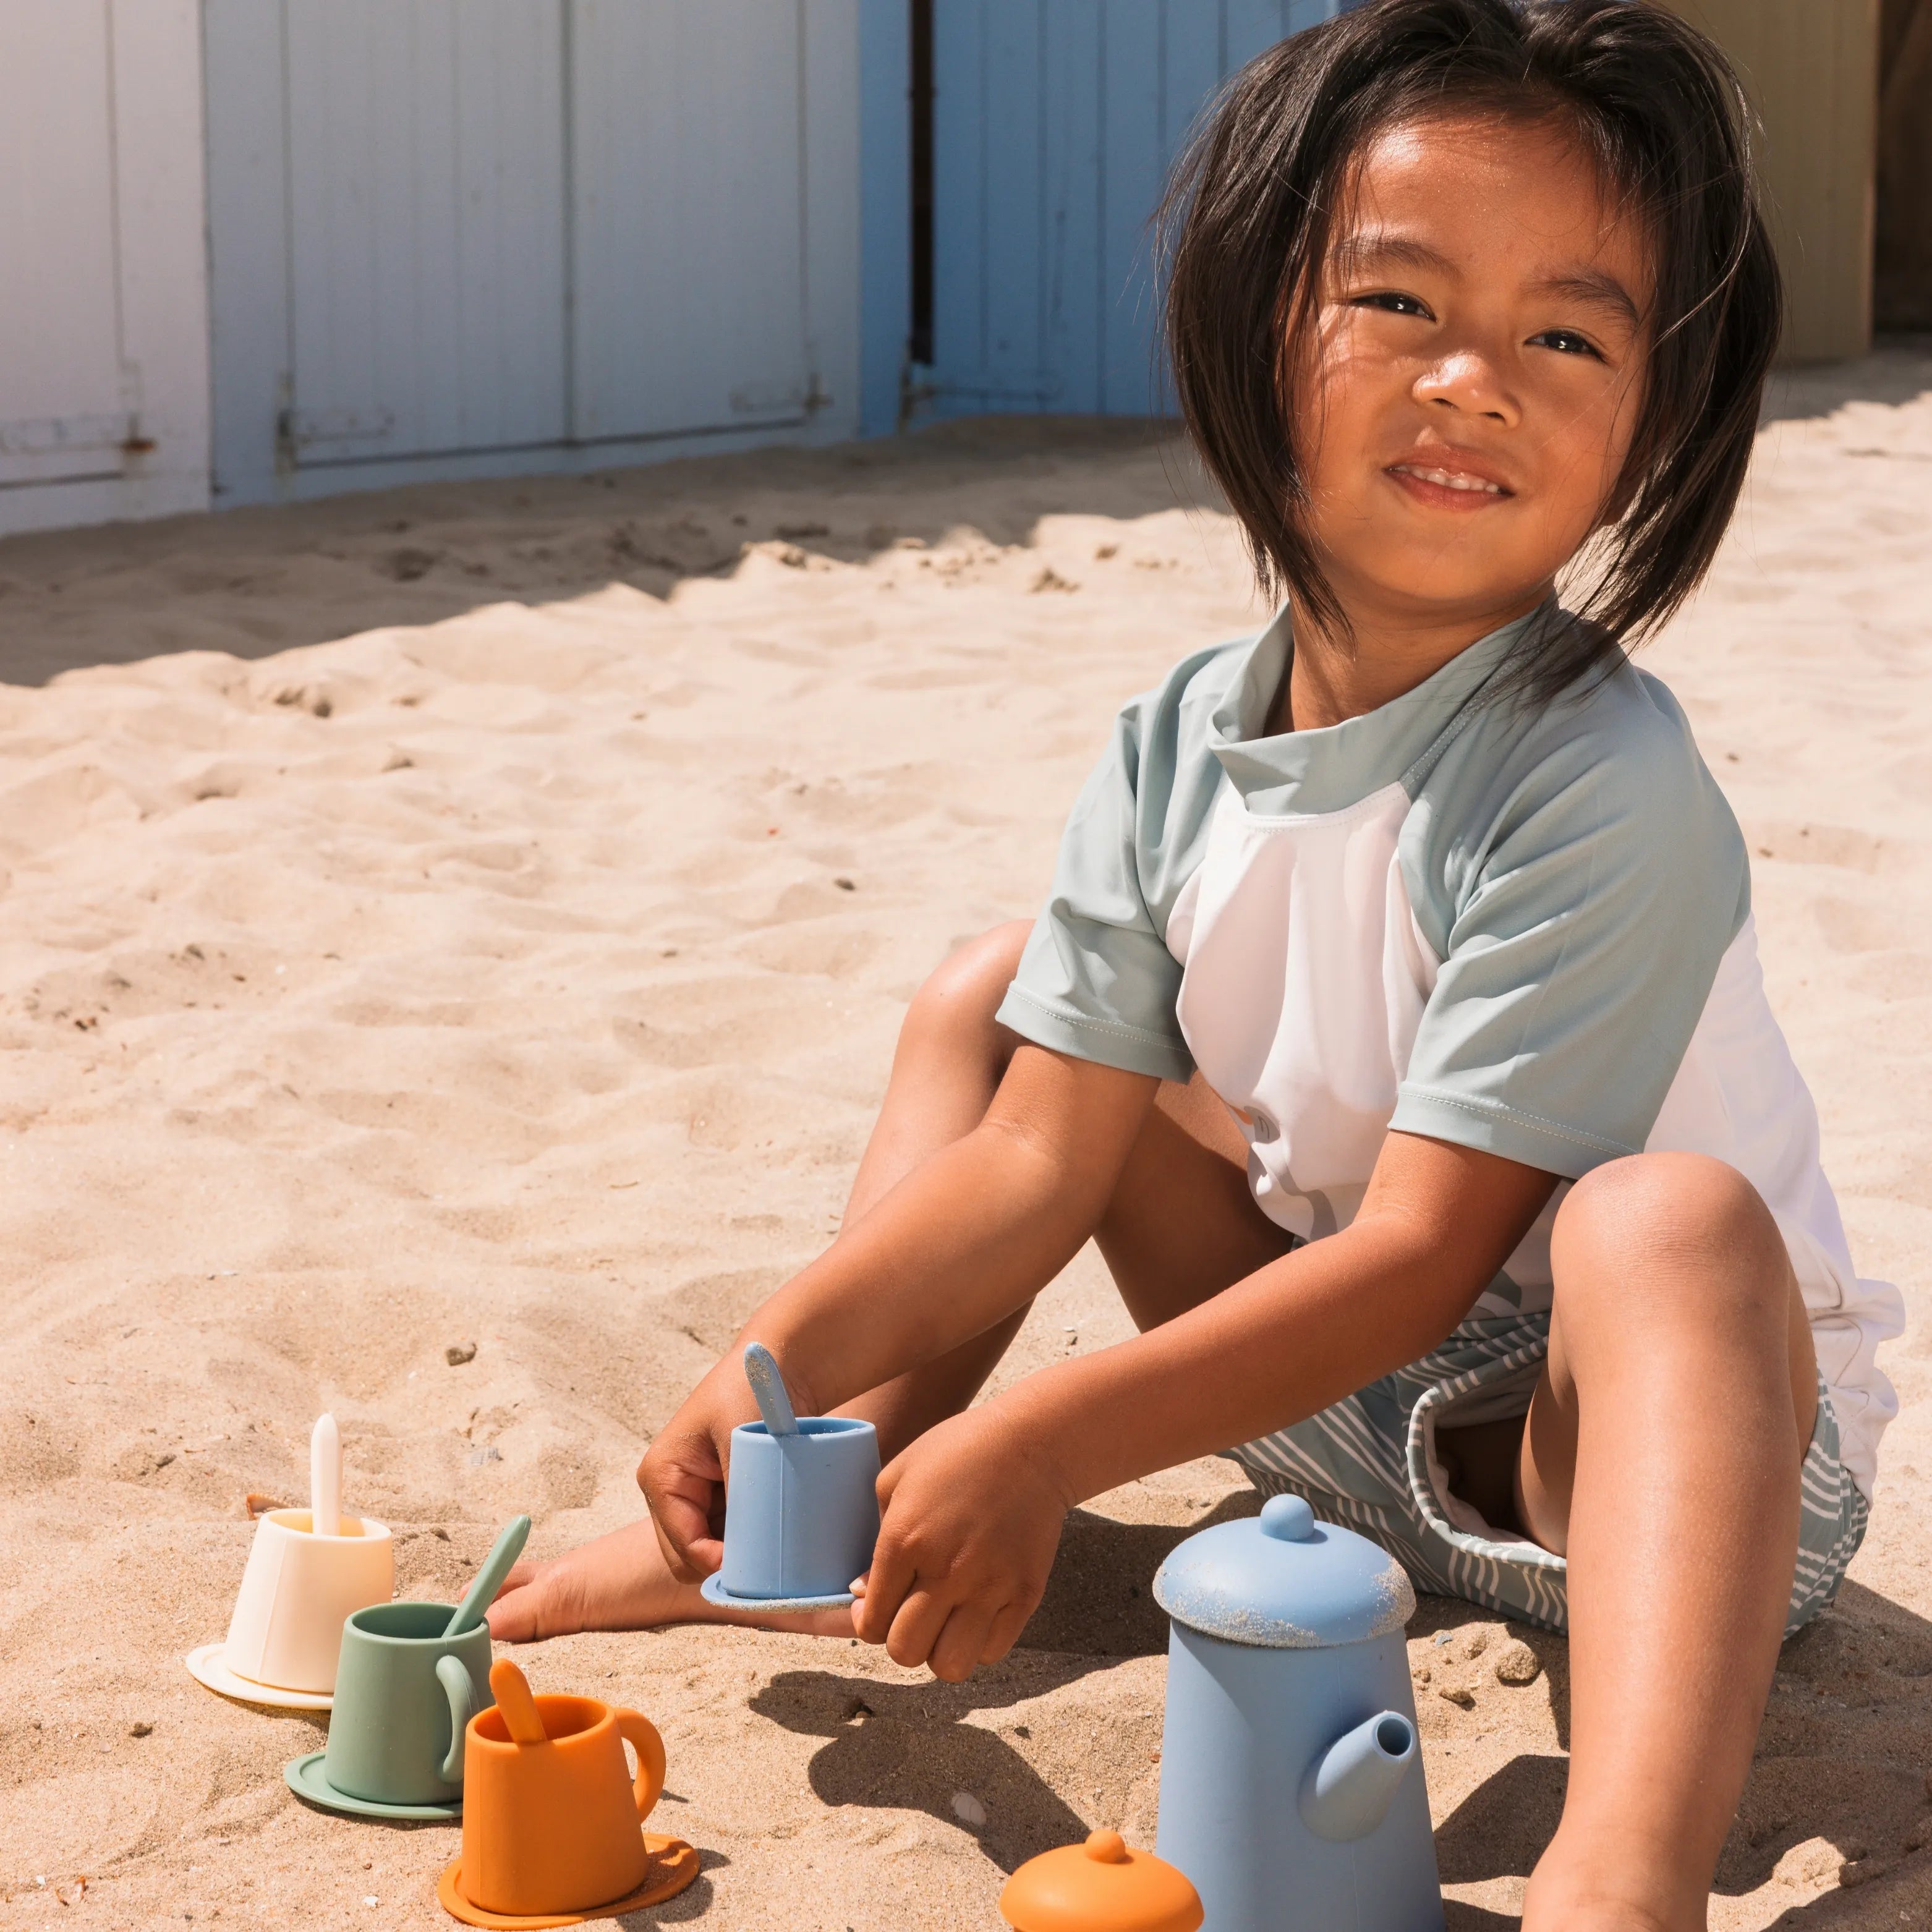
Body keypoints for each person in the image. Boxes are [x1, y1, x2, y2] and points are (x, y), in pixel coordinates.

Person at [488, 2, 1901, 1923]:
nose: (1475, 380)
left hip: (1652, 1469)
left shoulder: (1600, 779)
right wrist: (783, 1361)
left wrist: (1045, 1441)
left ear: (1651, 421)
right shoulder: (1179, 741)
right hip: (1340, 1407)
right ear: (1256, 325)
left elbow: (1424, 1261)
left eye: (1566, 334)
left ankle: (1621, 1875)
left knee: (1659, 1219)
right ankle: (819, 1505)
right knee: (999, 1004)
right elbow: (1043, 1164)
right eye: (1399, 303)